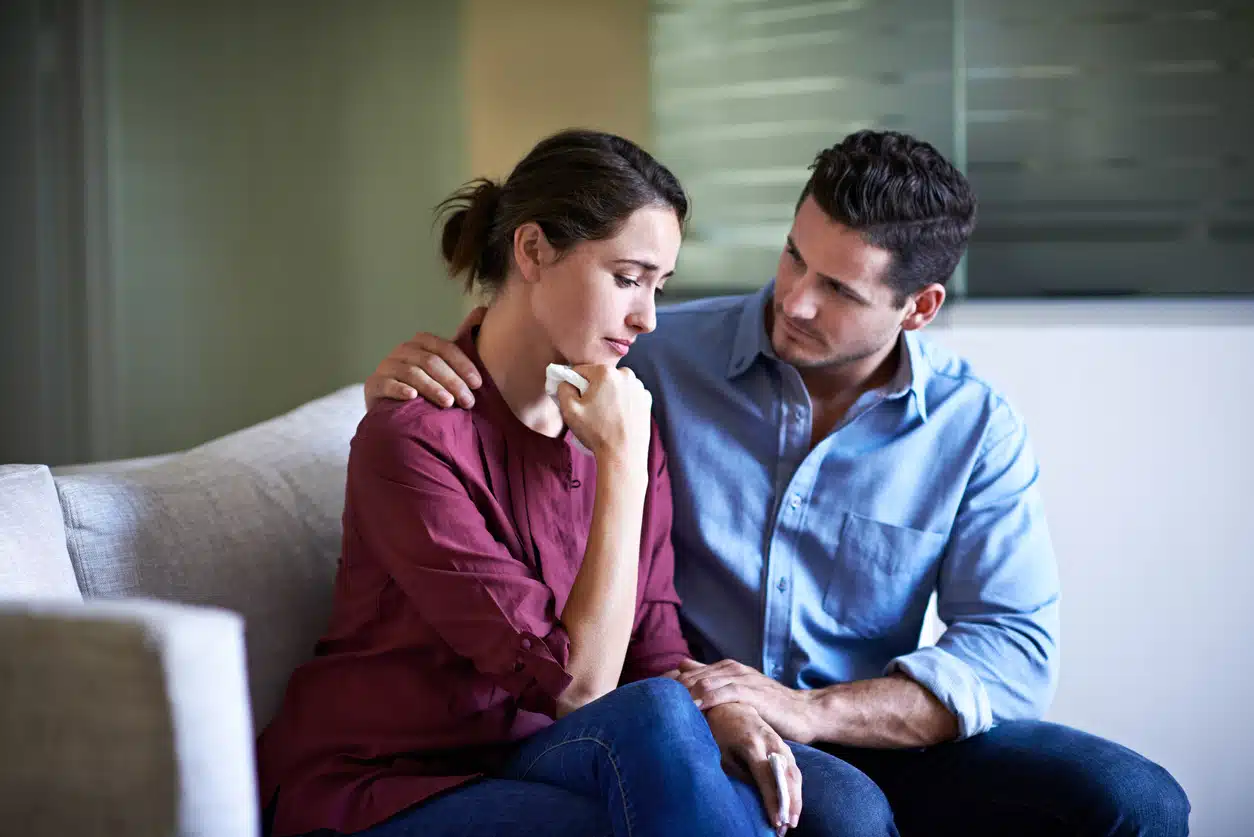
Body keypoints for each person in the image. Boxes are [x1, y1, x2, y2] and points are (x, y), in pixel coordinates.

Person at [367, 130, 1192, 836]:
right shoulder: (655, 363)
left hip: (868, 719)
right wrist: (414, 377)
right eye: (795, 255)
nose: (794, 300)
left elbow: (1012, 651)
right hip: (691, 726)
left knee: (1136, 799)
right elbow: (524, 353)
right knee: (842, 814)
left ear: (919, 306)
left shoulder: (973, 427)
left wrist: (814, 710)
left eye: (838, 288)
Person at [256, 129, 801, 837]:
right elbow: (579, 688)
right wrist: (623, 466)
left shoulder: (622, 423)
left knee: (841, 807)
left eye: (658, 286)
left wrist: (725, 709)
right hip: (388, 781)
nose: (648, 317)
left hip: (528, 752)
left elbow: (652, 644)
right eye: (627, 277)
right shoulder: (417, 438)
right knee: (645, 771)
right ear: (534, 250)